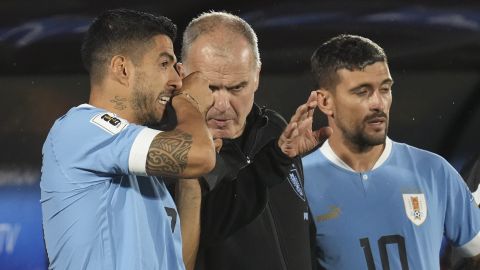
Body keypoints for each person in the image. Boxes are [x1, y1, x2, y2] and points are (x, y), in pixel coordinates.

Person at [40, 9, 216, 270]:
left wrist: (189, 181)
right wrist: (189, 102)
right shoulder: (79, 129)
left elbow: (179, 265)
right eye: (164, 64)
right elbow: (200, 155)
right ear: (122, 68)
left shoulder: (145, 172)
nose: (177, 81)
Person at [303, 34, 480, 270]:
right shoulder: (299, 183)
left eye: (385, 89)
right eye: (362, 92)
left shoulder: (434, 171)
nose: (379, 103)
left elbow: (475, 253)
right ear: (325, 102)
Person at [177, 11, 328, 270]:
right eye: (210, 88)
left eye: (237, 87)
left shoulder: (275, 129)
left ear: (257, 75)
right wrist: (275, 160)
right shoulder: (172, 151)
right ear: (181, 75)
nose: (222, 105)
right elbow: (207, 229)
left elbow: (302, 232)